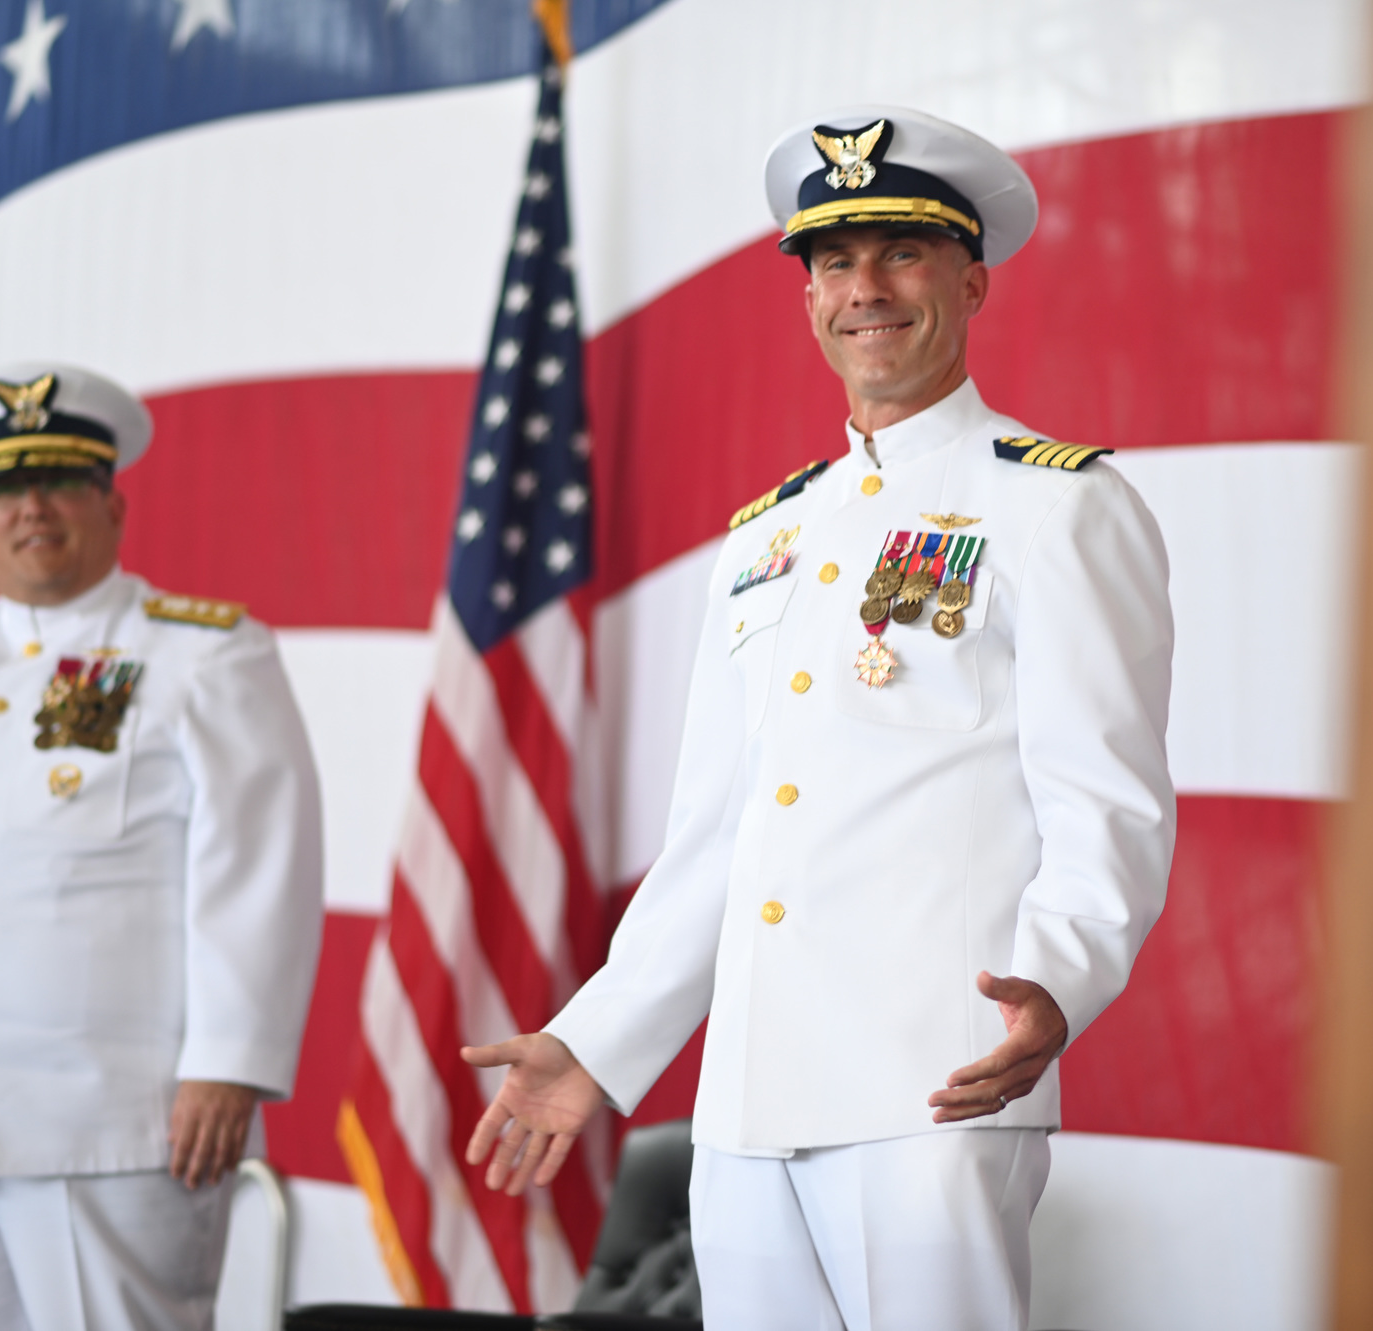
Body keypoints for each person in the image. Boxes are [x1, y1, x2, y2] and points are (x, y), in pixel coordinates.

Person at [463, 107, 1175, 1330]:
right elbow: (716, 838)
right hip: (745, 1103)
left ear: (970, 277)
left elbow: (1105, 799)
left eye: (900, 251)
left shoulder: (1060, 507)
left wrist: (1058, 979)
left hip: (934, 1081)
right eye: (834, 262)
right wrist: (592, 1043)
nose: (866, 289)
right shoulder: (765, 538)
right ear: (806, 301)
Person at [0, 364, 324, 1331]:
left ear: (112, 506)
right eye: (3, 489)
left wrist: (231, 1057)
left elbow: (257, 863)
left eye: (57, 484)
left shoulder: (204, 655)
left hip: (115, 1124)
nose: (30, 509)